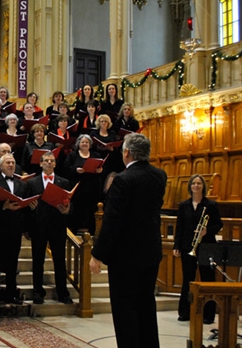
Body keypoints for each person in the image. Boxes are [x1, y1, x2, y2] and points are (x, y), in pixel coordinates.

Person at [90, 133, 167, 348]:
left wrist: (97, 254)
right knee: (146, 305)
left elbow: (112, 221)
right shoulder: (160, 176)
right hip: (151, 252)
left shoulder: (123, 180)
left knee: (125, 311)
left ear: (126, 152)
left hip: (125, 257)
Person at [173, 174, 223, 323]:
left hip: (207, 246)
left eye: (199, 184)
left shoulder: (211, 205)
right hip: (188, 246)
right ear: (190, 186)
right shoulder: (183, 206)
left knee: (208, 280)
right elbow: (179, 227)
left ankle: (208, 315)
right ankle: (185, 312)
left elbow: (219, 224)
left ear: (203, 187)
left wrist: (207, 231)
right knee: (188, 280)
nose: (196, 186)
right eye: (193, 183)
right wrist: (177, 245)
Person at [26, 151, 73, 305]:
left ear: (55, 163)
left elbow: (69, 203)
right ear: (40, 163)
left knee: (59, 260)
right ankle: (37, 292)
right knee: (37, 260)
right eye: (46, 160)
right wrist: (31, 209)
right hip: (38, 226)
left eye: (52, 161)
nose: (49, 163)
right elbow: (27, 205)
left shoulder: (63, 182)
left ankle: (63, 293)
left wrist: (67, 211)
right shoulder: (32, 183)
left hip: (57, 226)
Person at [0, 153, 29, 305]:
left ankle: (11, 293)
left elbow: (24, 205)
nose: (11, 165)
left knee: (12, 263)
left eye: (13, 162)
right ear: (1, 166)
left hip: (15, 228)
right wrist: (3, 206)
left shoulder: (22, 184)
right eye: (8, 162)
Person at [63, 134, 102, 235]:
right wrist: (76, 170)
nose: (85, 144)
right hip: (78, 187)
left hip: (92, 187)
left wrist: (100, 170)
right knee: (77, 209)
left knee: (91, 208)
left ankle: (92, 231)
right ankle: (75, 230)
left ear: (90, 144)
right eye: (82, 142)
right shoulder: (72, 155)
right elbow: (65, 169)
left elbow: (101, 168)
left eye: (87, 142)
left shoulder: (95, 155)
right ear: (78, 144)